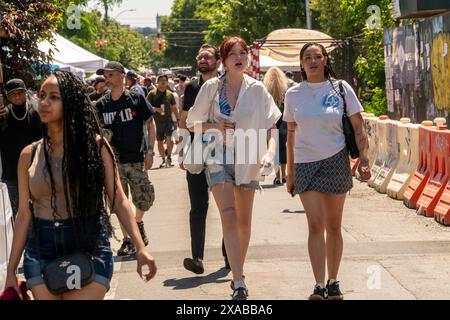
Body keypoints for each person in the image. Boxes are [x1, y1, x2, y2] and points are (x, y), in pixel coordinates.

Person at [4, 70, 157, 300]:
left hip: (87, 243)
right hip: (41, 248)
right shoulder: (29, 154)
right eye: (42, 95)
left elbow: (118, 200)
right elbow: (24, 215)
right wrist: (10, 272)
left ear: (72, 102)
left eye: (54, 97)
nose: (44, 102)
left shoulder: (97, 148)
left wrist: (140, 247)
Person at [186, 37, 281, 300]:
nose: (239, 57)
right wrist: (214, 127)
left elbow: (271, 128)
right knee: (228, 214)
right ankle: (238, 281)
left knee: (244, 222)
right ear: (224, 60)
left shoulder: (258, 89)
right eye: (233, 54)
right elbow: (192, 123)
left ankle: (238, 268)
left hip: (249, 155)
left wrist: (270, 153)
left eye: (243, 53)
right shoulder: (211, 88)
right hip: (217, 154)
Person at [284, 42, 371, 300]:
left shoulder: (341, 88)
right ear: (301, 63)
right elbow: (290, 134)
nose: (312, 61)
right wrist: (290, 171)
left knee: (333, 226)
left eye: (317, 56)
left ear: (324, 60)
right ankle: (318, 285)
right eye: (307, 57)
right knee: (314, 225)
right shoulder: (293, 94)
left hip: (335, 160)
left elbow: (358, 126)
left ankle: (334, 281)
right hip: (305, 163)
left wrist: (364, 158)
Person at [96, 61, 157, 257]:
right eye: (105, 75)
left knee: (145, 197)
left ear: (122, 76)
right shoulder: (101, 104)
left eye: (111, 74)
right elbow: (97, 132)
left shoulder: (136, 98)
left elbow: (150, 124)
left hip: (136, 158)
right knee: (118, 203)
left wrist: (150, 151)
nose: (107, 78)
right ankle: (128, 239)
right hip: (113, 162)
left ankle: (137, 223)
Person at [178, 44, 229, 274]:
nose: (202, 60)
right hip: (197, 150)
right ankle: (197, 257)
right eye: (200, 57)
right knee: (198, 206)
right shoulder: (191, 87)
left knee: (228, 207)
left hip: (226, 151)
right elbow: (184, 120)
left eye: (207, 57)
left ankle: (230, 255)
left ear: (218, 61)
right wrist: (181, 150)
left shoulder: (227, 84)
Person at [0, 79, 42, 217]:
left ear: (25, 93)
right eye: (13, 94)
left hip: (35, 172)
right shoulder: (3, 115)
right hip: (11, 174)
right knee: (16, 215)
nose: (17, 96)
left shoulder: (35, 113)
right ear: (7, 96)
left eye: (20, 93)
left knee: (37, 212)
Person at [147, 75, 179, 168]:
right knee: (160, 141)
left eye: (165, 80)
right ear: (158, 82)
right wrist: (156, 109)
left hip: (169, 121)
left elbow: (174, 107)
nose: (163, 82)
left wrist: (178, 119)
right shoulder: (152, 94)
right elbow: (147, 106)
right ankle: (163, 159)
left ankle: (169, 157)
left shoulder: (170, 94)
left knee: (170, 139)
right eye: (161, 80)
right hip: (157, 122)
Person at [263, 67, 288, 185]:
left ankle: (277, 176)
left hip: (271, 120)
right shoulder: (285, 90)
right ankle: (284, 174)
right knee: (283, 147)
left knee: (273, 147)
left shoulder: (266, 90)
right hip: (283, 120)